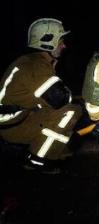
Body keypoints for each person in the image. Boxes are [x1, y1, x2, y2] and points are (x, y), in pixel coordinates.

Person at [0, 18, 82, 174]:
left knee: (66, 146)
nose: (64, 46)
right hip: (13, 125)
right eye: (61, 41)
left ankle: (28, 149)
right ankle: (37, 160)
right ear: (47, 42)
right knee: (71, 111)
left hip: (19, 117)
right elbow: (60, 99)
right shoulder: (36, 65)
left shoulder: (31, 61)